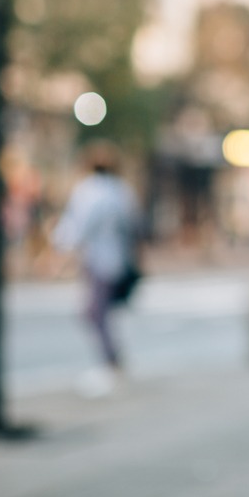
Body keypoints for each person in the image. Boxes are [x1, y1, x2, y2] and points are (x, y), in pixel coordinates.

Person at [52, 140, 142, 397]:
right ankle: (112, 360)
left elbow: (77, 225)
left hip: (98, 260)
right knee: (97, 312)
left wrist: (59, 251)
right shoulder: (122, 191)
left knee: (95, 312)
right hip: (117, 260)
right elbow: (133, 226)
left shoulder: (88, 191)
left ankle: (111, 363)